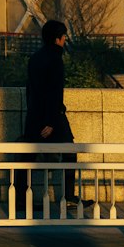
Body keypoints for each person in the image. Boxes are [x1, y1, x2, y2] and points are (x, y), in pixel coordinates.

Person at [24, 19, 77, 204]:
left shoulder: (35, 57)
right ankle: (69, 197)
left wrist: (35, 117)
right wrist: (51, 122)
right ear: (58, 39)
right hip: (53, 117)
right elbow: (55, 93)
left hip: (33, 115)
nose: (64, 41)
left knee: (27, 154)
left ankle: (23, 199)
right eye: (63, 37)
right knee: (70, 151)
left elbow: (31, 90)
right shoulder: (56, 59)